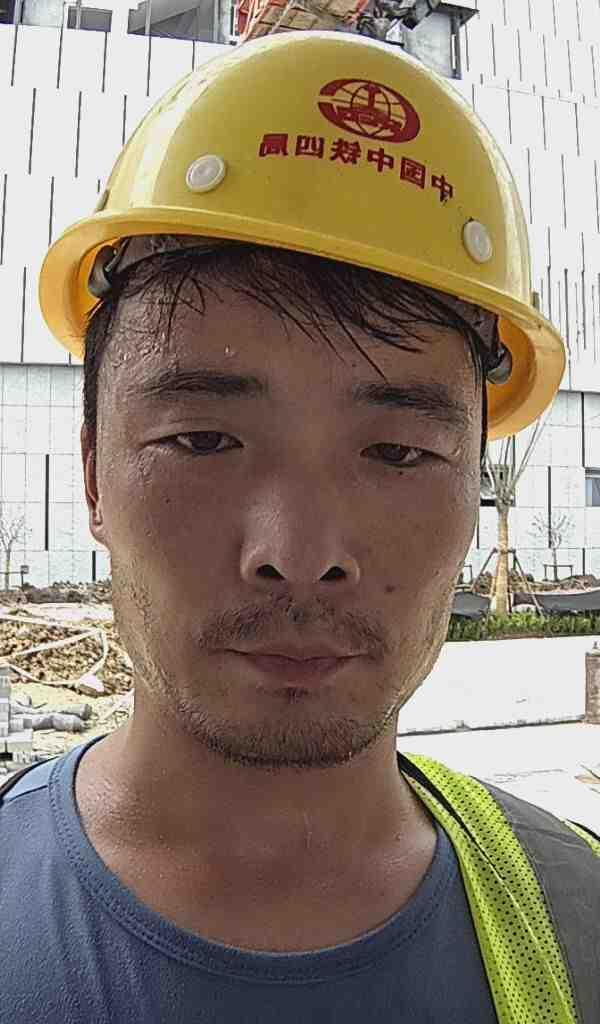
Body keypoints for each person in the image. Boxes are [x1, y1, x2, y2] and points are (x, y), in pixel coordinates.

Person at [2, 28, 598, 1024]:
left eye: (397, 453)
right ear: (96, 472)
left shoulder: (578, 917)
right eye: (203, 440)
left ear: (473, 491)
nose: (301, 552)